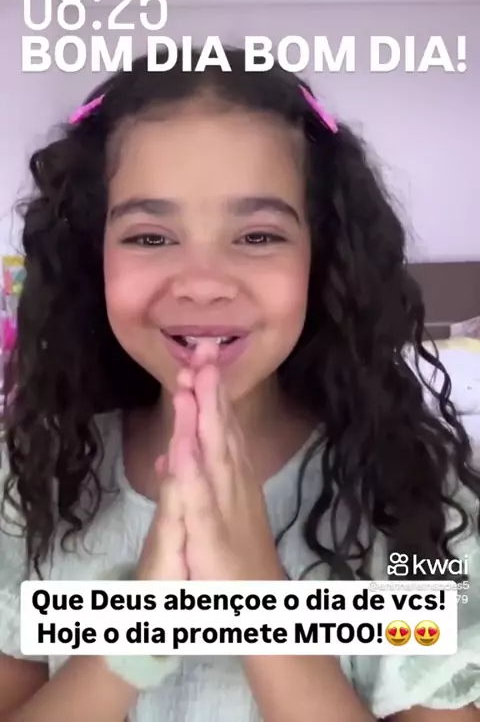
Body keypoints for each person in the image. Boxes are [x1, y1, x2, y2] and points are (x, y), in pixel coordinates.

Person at [0, 47, 479, 722]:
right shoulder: (29, 481)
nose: (202, 283)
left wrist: (257, 594)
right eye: (149, 237)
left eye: (257, 236)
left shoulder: (420, 504)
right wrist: (137, 629)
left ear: (321, 256)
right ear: (92, 255)